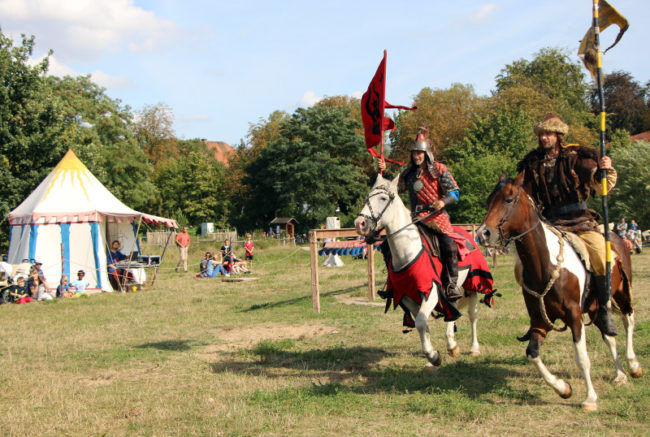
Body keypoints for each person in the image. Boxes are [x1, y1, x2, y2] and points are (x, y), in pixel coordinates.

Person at [517, 113, 618, 336]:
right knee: (521, 268)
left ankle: (604, 311)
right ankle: (537, 319)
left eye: (548, 133)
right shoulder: (533, 163)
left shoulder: (575, 156)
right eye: (542, 134)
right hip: (551, 224)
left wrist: (604, 168)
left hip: (581, 221)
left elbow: (599, 185)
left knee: (602, 257)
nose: (544, 138)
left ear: (559, 135)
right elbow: (523, 195)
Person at [378, 126, 463, 302]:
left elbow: (455, 193)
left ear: (426, 153)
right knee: (388, 245)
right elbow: (395, 189)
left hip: (436, 217)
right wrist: (385, 172)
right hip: (414, 218)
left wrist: (443, 201)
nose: (416, 156)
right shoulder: (408, 173)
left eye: (419, 152)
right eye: (414, 153)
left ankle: (451, 285)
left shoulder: (439, 169)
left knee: (449, 245)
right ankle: (392, 284)